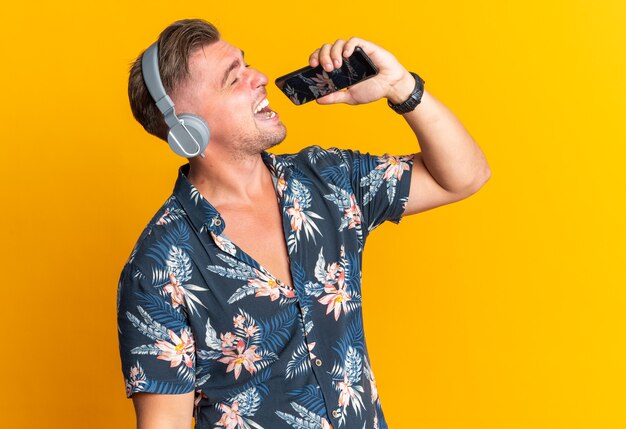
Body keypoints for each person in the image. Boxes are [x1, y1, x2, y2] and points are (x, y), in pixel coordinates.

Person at [118, 18, 490, 429]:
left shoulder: (326, 180)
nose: (259, 78)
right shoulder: (157, 266)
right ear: (188, 128)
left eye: (247, 65)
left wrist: (400, 86)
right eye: (233, 79)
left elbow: (464, 176)